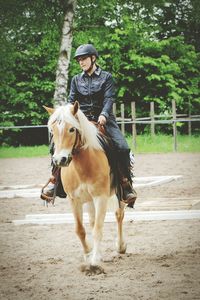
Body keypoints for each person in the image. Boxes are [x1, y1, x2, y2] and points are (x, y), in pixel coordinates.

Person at [41, 44, 137, 207]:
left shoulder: (106, 77)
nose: (81, 62)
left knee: (122, 147)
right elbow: (71, 101)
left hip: (104, 119)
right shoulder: (76, 80)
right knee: (55, 145)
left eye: (83, 59)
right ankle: (55, 182)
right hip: (81, 121)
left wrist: (104, 114)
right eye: (79, 60)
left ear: (93, 58)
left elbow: (109, 99)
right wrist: (66, 115)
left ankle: (125, 184)